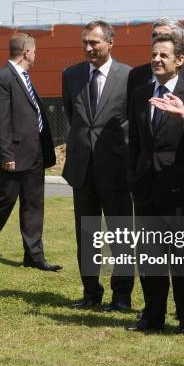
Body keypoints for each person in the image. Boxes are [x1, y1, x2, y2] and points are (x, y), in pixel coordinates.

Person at [125, 33, 184, 333]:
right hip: (146, 188)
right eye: (154, 54)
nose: (156, 59)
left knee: (183, 257)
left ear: (179, 60)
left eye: (163, 55)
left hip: (180, 190)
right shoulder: (140, 93)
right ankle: (152, 315)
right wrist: (135, 175)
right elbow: (137, 142)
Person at [0, 33, 61, 272]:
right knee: (5, 201)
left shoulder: (24, 77)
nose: (36, 55)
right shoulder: (3, 77)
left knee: (33, 204)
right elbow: (0, 120)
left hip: (35, 151)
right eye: (34, 51)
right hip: (15, 154)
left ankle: (34, 256)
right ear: (26, 52)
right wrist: (6, 155)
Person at [62, 20, 133, 311]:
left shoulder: (129, 76)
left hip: (116, 170)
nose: (89, 48)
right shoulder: (71, 75)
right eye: (85, 43)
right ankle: (91, 292)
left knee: (121, 236)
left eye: (95, 43)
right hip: (82, 170)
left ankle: (121, 296)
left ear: (110, 44)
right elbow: (72, 114)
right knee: (87, 235)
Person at [127, 17, 184, 99]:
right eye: (154, 35)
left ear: (178, 41)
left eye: (164, 36)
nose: (157, 39)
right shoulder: (136, 75)